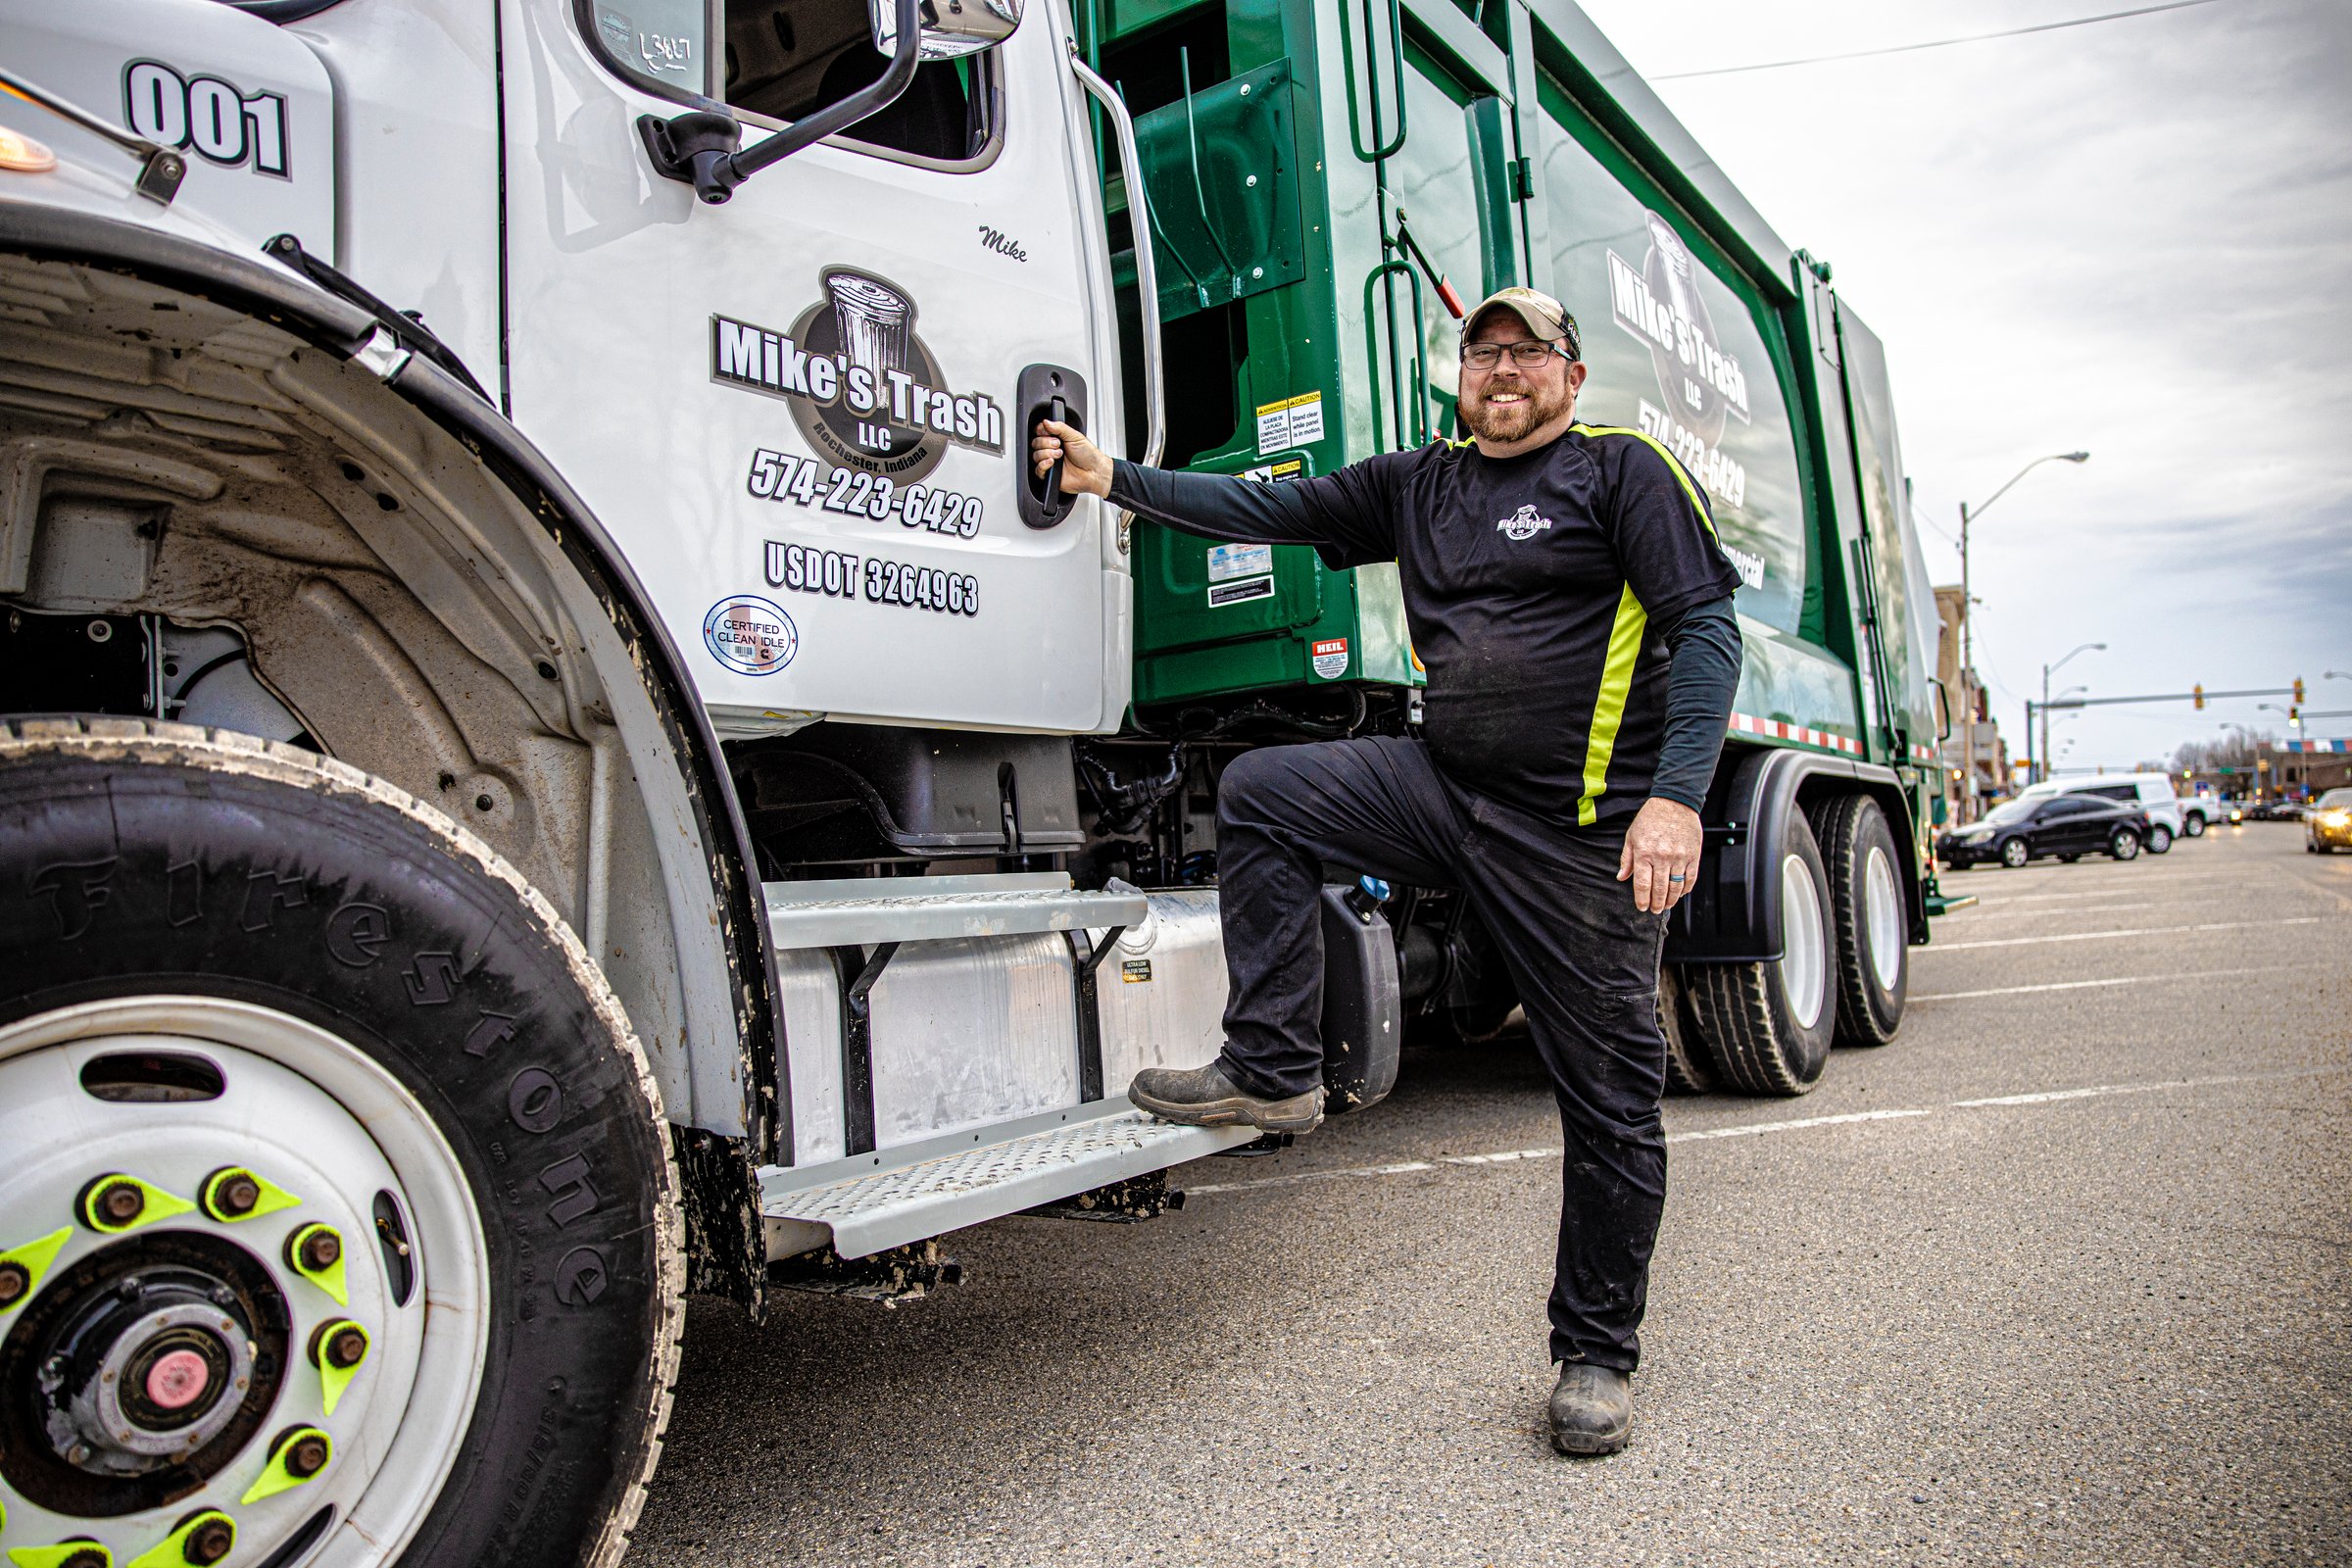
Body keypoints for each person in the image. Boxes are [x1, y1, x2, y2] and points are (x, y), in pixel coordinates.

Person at [1030, 286, 1742, 1456]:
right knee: (1264, 794)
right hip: (1447, 790)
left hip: (1579, 832)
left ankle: (1596, 1353)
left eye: (1528, 353)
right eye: (1483, 352)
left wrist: (1673, 800)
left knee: (1610, 1099)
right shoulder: (1422, 483)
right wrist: (1118, 479)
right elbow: (1268, 503)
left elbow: (1708, 632)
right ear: (1461, 375)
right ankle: (1275, 1067)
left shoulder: (1623, 472)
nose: (1502, 370)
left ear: (1569, 374)